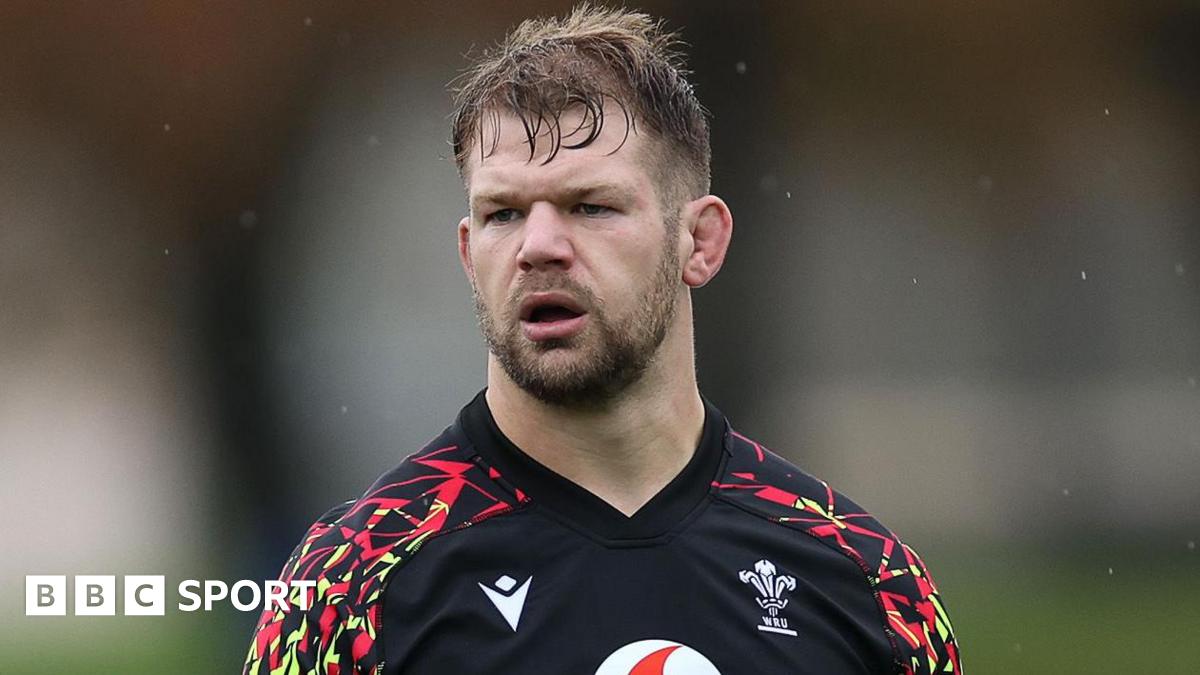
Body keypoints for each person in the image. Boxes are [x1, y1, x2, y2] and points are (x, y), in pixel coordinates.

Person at [243, 5, 961, 674]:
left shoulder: (864, 580)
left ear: (700, 241)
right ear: (469, 254)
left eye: (591, 205)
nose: (539, 246)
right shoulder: (353, 582)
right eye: (503, 214)